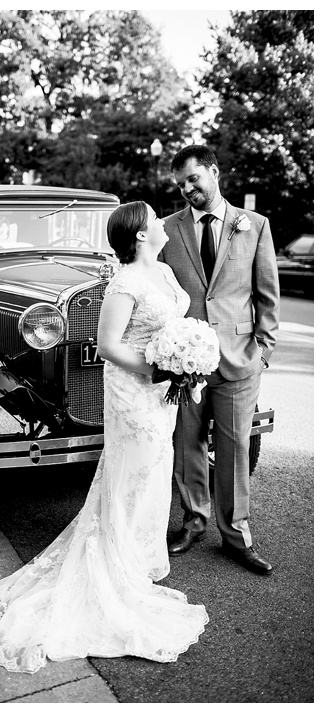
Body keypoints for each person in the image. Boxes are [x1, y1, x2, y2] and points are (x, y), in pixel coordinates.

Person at [0, 202, 207, 673]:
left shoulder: (167, 274)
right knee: (132, 473)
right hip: (136, 391)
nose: (161, 223)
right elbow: (110, 346)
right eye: (153, 219)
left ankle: (141, 563)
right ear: (138, 235)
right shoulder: (124, 283)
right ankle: (117, 573)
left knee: (153, 475)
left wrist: (189, 357)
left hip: (161, 396)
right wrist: (162, 366)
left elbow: (174, 323)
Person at [158, 144, 279, 576]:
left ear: (213, 172)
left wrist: (262, 351)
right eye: (180, 185)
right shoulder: (167, 230)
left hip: (239, 361)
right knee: (187, 445)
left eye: (193, 179)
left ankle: (236, 535)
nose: (188, 189)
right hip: (184, 363)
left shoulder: (256, 226)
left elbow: (267, 295)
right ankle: (193, 520)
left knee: (234, 449)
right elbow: (158, 294)